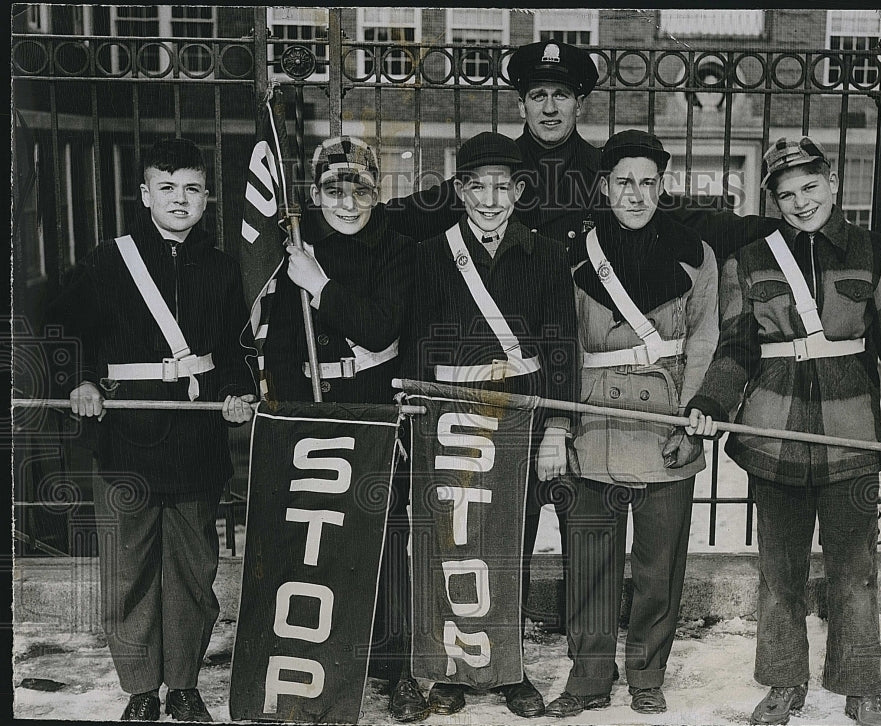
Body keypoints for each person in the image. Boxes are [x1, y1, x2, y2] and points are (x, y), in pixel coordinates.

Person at [386, 38, 779, 634]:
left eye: (562, 96)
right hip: (498, 383)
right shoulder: (492, 168)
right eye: (538, 95)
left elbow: (687, 222)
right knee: (490, 529)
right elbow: (406, 216)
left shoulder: (605, 172)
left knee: (583, 535)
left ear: (579, 104)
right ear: (521, 103)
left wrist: (786, 224)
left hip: (571, 384)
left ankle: (583, 656)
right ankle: (491, 644)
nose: (549, 107)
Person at [684, 137, 881, 726]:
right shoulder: (750, 262)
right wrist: (709, 402)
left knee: (855, 572)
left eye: (809, 187)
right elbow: (735, 350)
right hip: (771, 437)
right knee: (779, 572)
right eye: (786, 195)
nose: (800, 202)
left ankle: (862, 687)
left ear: (832, 182)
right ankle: (784, 683)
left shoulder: (874, 253)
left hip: (851, 439)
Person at [48, 138, 258, 721]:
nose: (179, 199)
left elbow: (237, 349)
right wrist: (81, 380)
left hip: (196, 441)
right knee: (129, 574)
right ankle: (142, 689)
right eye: (166, 187)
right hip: (125, 438)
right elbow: (61, 325)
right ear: (145, 195)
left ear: (207, 197)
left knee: (193, 573)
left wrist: (240, 393)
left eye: (191, 188)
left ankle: (184, 687)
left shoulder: (220, 268)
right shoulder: (108, 260)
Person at [401, 131, 577, 718]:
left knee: (510, 541)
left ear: (520, 191)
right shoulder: (429, 254)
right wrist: (416, 423)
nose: (491, 199)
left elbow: (561, 348)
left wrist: (557, 427)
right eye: (478, 186)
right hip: (448, 413)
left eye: (504, 186)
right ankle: (451, 670)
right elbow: (415, 346)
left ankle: (508, 670)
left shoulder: (547, 255)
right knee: (451, 539)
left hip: (519, 415)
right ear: (460, 190)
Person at [543, 131, 718, 718]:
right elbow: (561, 342)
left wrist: (690, 416)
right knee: (590, 556)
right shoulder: (572, 254)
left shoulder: (693, 252)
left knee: (657, 563)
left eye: (647, 182)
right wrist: (562, 422)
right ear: (604, 186)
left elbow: (704, 340)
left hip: (665, 418)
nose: (636, 194)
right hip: (596, 420)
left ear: (662, 186)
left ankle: (647, 671)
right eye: (623, 182)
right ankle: (590, 675)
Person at [254, 135, 426, 723]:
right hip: (314, 406)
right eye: (334, 190)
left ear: (378, 195)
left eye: (361, 191)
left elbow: (381, 329)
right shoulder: (297, 250)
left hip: (377, 403)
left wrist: (320, 285)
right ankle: (333, 656)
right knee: (325, 535)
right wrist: (289, 412)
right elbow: (278, 347)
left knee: (388, 536)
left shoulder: (400, 250)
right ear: (314, 194)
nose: (348, 204)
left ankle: (399, 665)